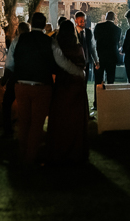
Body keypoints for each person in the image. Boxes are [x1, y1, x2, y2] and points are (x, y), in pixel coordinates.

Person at [5, 12, 84, 164]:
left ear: (31, 23)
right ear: (43, 24)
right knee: (37, 122)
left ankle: (23, 153)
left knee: (24, 121)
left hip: (21, 84)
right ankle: (31, 156)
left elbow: (9, 63)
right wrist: (78, 72)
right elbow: (63, 62)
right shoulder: (50, 42)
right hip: (42, 86)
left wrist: (13, 74)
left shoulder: (19, 39)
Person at [47, 19, 89, 162]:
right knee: (75, 118)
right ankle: (76, 150)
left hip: (62, 85)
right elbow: (82, 64)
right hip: (76, 85)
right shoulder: (77, 47)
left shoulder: (57, 47)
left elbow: (54, 66)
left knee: (61, 117)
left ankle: (59, 148)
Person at [1, 22, 30, 137]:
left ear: (19, 30)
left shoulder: (17, 41)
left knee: (7, 102)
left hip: (16, 74)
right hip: (29, 75)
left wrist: (5, 77)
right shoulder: (33, 41)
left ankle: (7, 129)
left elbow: (10, 61)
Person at [93, 10, 122, 85]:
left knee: (98, 79)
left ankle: (98, 96)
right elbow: (117, 43)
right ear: (114, 18)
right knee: (110, 79)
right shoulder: (118, 30)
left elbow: (95, 39)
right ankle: (109, 95)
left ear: (106, 17)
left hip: (100, 55)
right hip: (112, 57)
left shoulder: (98, 26)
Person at [74, 11, 99, 89]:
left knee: (85, 84)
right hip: (76, 62)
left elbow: (92, 47)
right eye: (81, 21)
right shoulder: (73, 33)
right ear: (76, 21)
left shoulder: (88, 32)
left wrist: (96, 60)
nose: (83, 23)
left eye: (84, 20)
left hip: (86, 62)